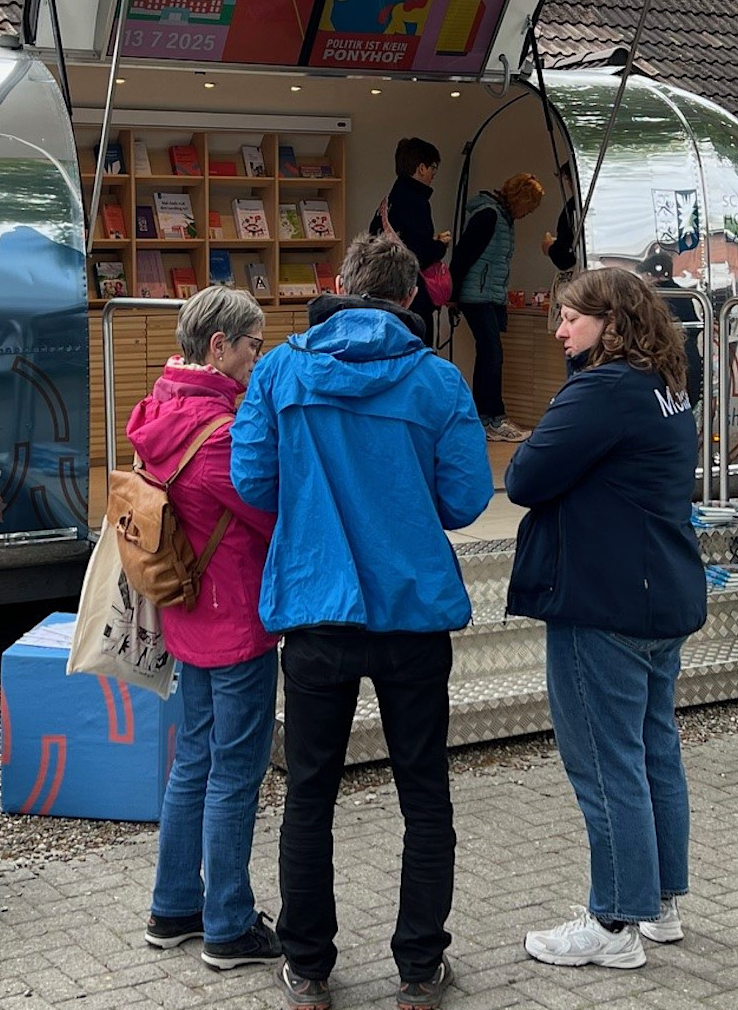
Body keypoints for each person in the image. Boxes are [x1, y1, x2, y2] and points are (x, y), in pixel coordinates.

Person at [232, 233, 492, 1010]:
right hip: (411, 612)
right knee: (424, 790)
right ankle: (419, 968)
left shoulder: (281, 367)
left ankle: (309, 968)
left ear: (338, 283)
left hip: (317, 606)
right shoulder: (439, 382)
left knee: (310, 791)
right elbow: (465, 500)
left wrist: (314, 509)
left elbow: (251, 476)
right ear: (411, 298)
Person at [505, 269, 706, 970]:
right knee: (654, 751)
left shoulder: (602, 390)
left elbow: (524, 478)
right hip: (658, 592)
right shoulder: (666, 385)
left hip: (604, 599)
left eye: (569, 319)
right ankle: (660, 902)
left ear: (611, 324)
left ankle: (614, 922)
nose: (559, 332)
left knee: (604, 760)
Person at [125, 286, 281, 970]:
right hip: (235, 619)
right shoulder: (219, 436)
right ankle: (228, 924)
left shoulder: (163, 405)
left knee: (193, 759)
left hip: (188, 611)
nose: (258, 357)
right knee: (234, 772)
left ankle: (173, 907)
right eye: (252, 345)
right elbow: (272, 516)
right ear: (219, 347)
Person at [451, 172, 547, 442]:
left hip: (489, 296)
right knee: (492, 354)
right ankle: (492, 418)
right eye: (531, 205)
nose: (529, 212)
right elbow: (463, 255)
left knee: (490, 354)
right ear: (521, 199)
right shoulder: (489, 215)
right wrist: (452, 294)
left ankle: (489, 417)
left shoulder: (503, 218)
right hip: (476, 296)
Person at [368, 137, 453, 347]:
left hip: (384, 292)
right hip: (411, 295)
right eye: (433, 167)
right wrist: (440, 245)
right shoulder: (416, 202)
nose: (434, 174)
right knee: (418, 355)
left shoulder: (388, 202)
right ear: (421, 168)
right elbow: (420, 254)